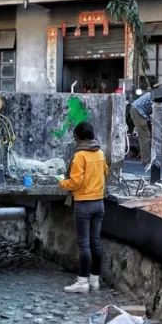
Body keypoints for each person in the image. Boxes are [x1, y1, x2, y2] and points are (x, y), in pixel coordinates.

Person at [58, 121, 108, 294]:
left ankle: (82, 281)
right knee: (96, 242)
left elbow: (75, 182)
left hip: (84, 204)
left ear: (78, 137)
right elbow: (105, 173)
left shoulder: (80, 156)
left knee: (84, 245)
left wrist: (61, 182)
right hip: (99, 203)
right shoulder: (100, 153)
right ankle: (95, 280)